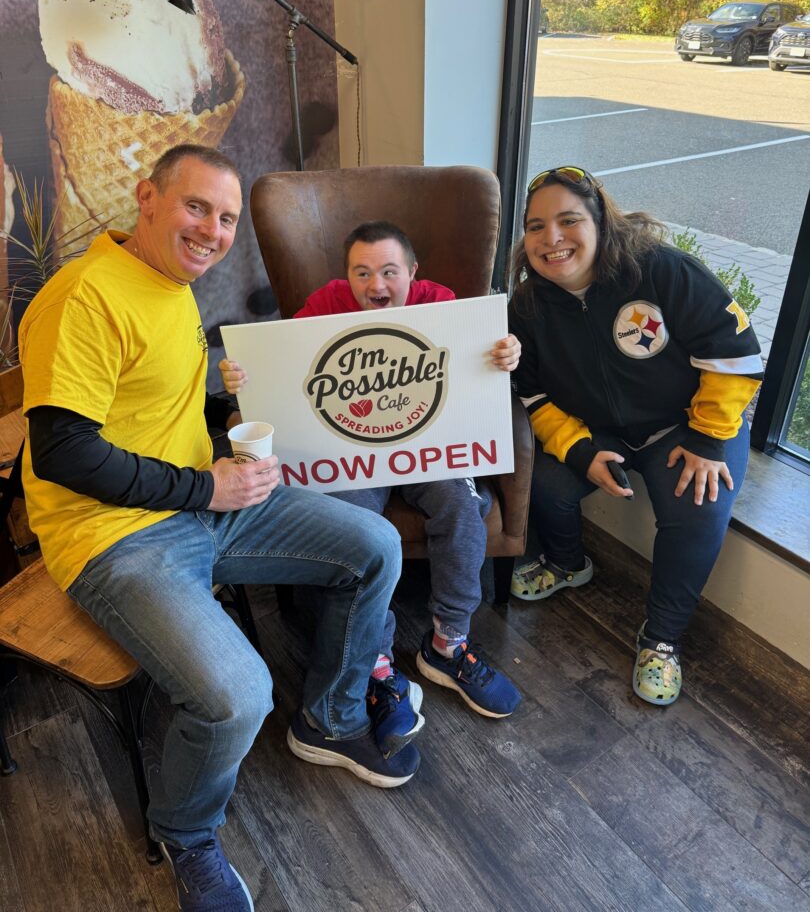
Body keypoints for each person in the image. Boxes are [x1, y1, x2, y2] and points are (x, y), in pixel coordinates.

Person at [19, 146, 417, 912]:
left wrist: (226, 423)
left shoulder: (170, 285)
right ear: (147, 197)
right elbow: (64, 452)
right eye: (197, 207)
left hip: (208, 500)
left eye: (227, 218)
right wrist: (207, 484)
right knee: (238, 696)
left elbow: (148, 402)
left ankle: (330, 720)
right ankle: (186, 832)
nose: (213, 230)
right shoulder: (87, 296)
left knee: (376, 547)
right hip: (114, 538)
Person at [221, 220, 523, 736]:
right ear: (347, 275)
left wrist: (502, 358)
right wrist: (243, 378)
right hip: (353, 452)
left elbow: (473, 373)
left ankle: (449, 643)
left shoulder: (441, 303)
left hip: (430, 446)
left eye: (388, 271)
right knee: (357, 535)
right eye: (362, 273)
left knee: (462, 509)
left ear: (412, 272)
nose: (375, 285)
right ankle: (377, 664)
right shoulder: (323, 306)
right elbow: (283, 371)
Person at [507, 166, 763, 706]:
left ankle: (663, 639)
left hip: (686, 422)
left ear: (601, 219)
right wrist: (580, 450)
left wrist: (708, 439)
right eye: (535, 226)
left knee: (699, 505)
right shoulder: (526, 308)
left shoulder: (662, 271)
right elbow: (533, 396)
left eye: (568, 220)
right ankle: (568, 563)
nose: (552, 239)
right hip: (600, 428)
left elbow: (735, 351)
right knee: (548, 485)